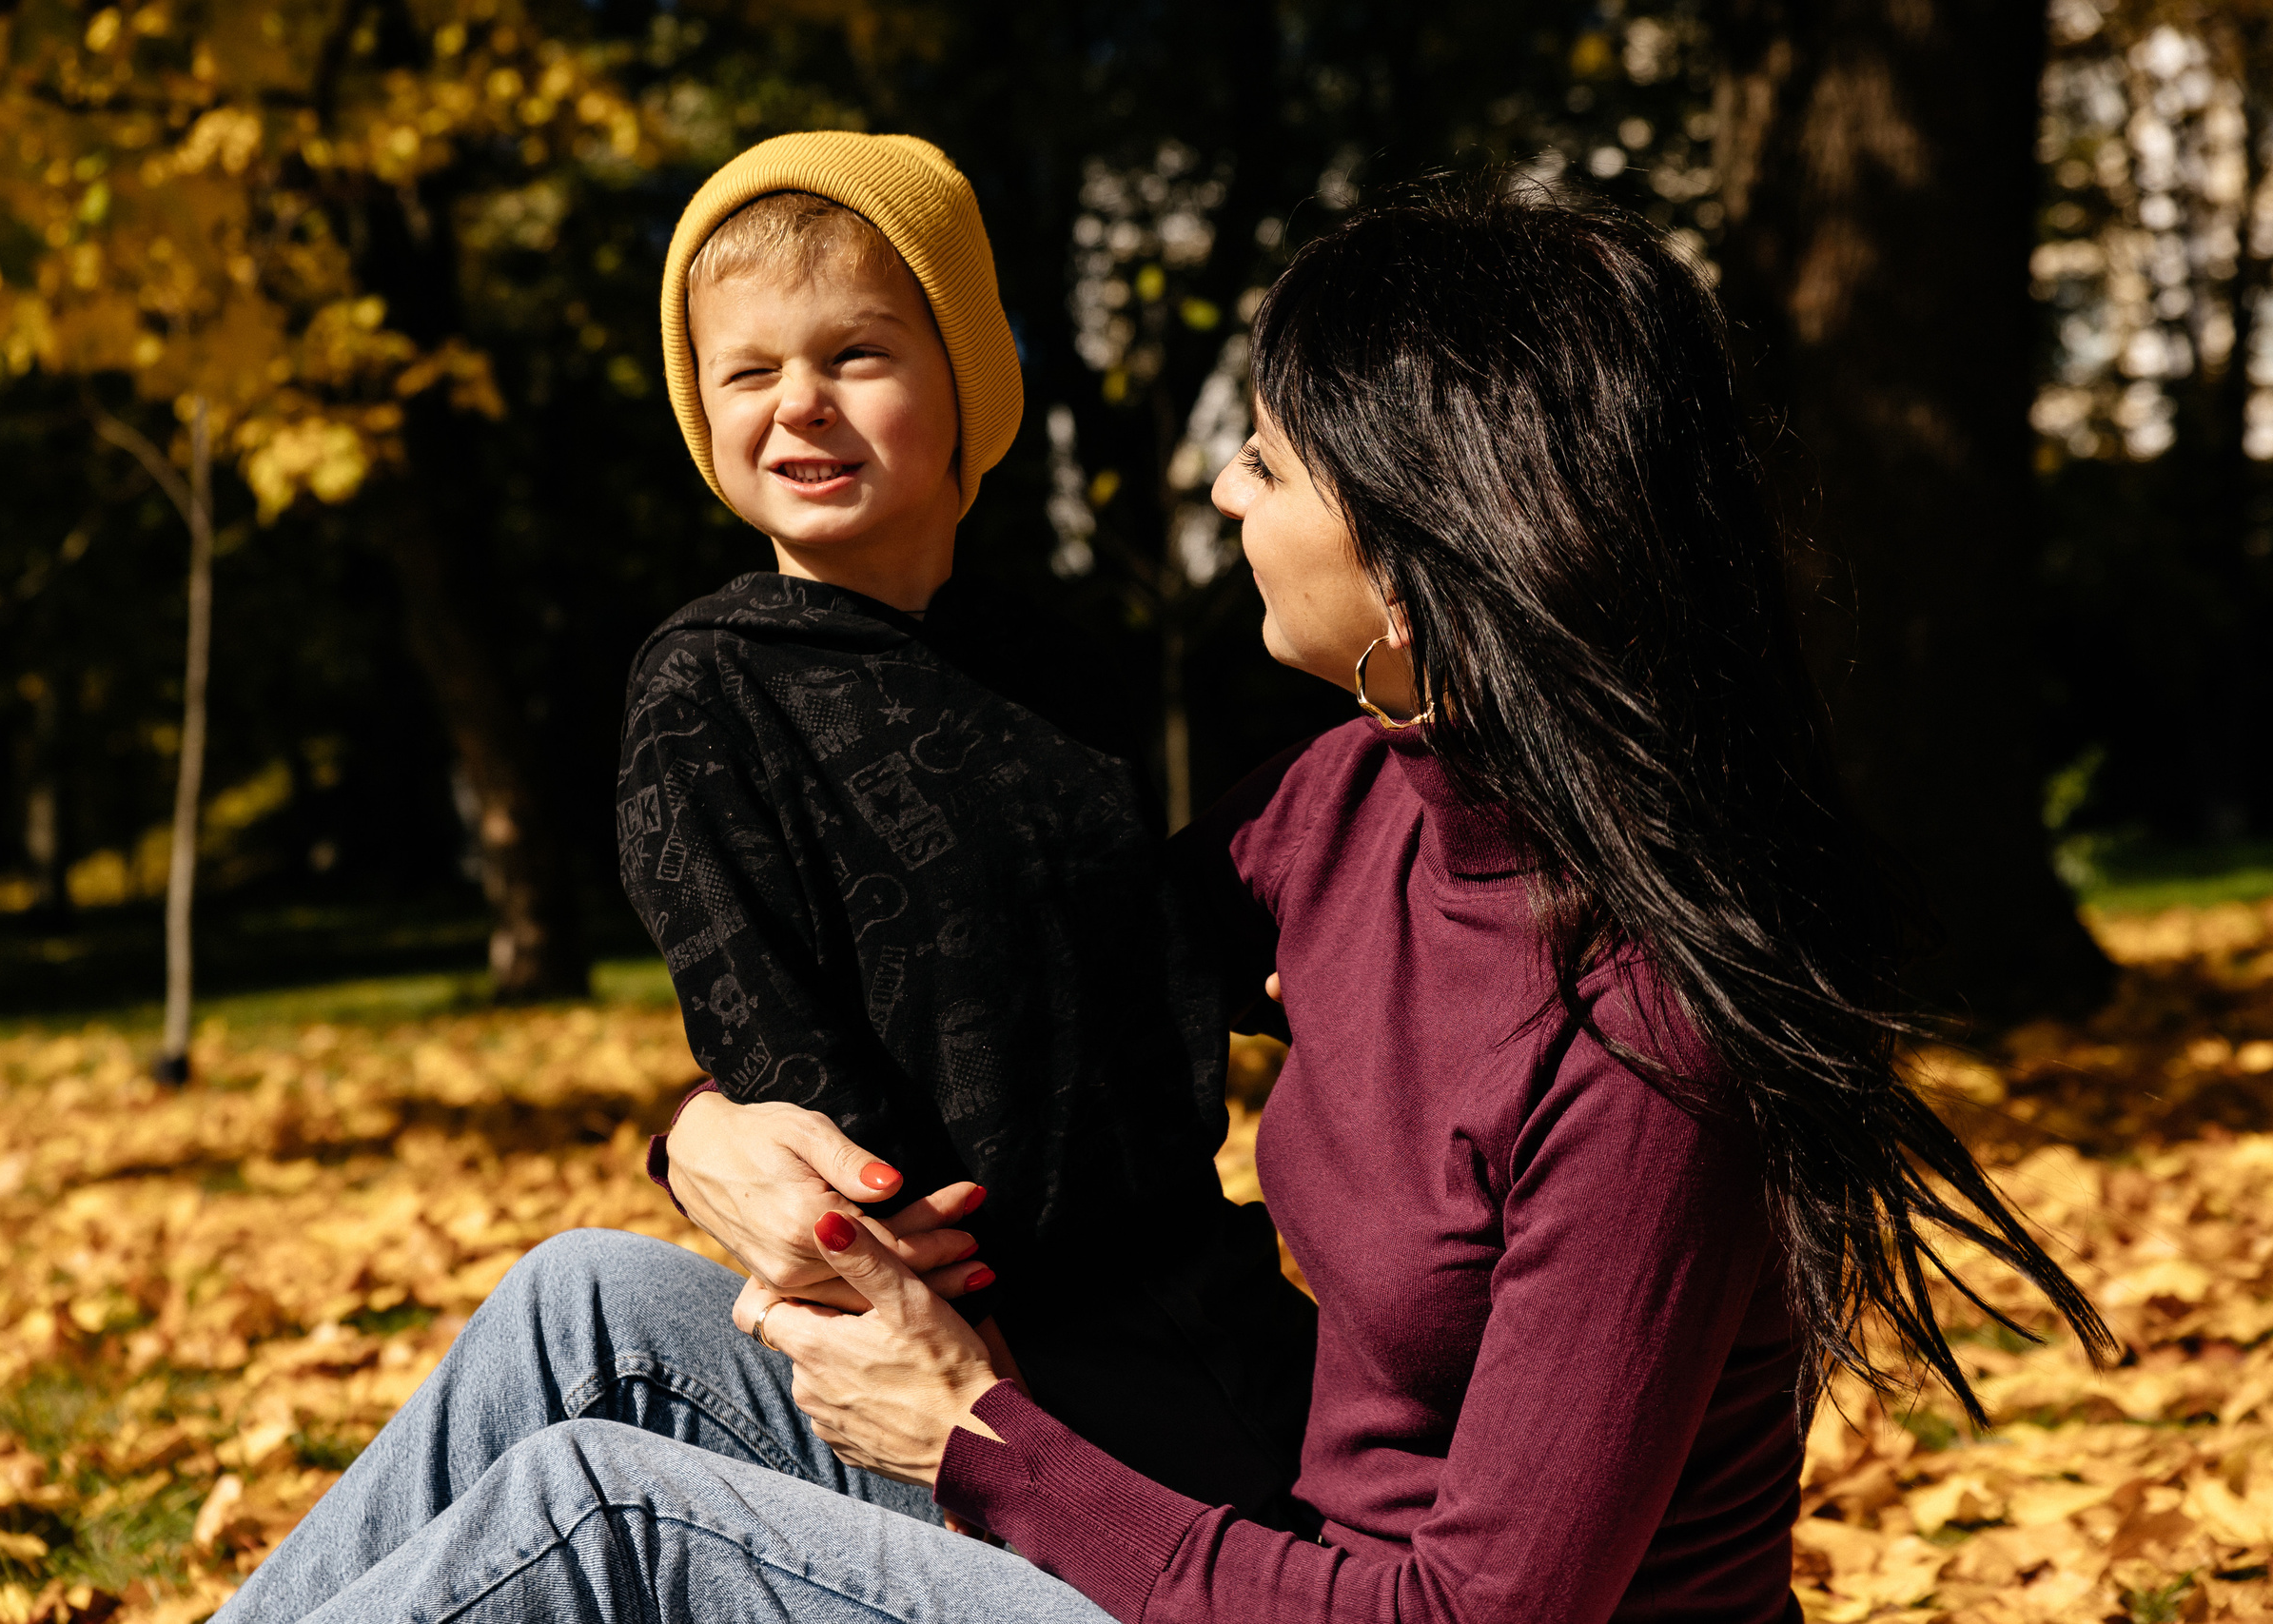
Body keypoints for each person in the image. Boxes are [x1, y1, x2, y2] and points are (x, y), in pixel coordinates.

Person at [213, 179, 2112, 1624]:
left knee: (599, 1523)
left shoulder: (1646, 1028)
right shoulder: (1361, 803)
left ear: (1425, 532)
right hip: (1248, 1525)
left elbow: (1476, 1610)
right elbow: (1066, 964)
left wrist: (977, 1439)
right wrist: (701, 1125)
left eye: (1269, 457)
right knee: (584, 1308)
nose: (1220, 491)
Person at [613, 128, 1314, 1517]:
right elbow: (767, 1030)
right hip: (955, 1327)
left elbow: (1148, 938)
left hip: (1187, 1273)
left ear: (966, 382)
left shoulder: (1055, 667)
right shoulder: (712, 685)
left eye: (855, 356)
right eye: (747, 373)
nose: (797, 405)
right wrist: (914, 1316)